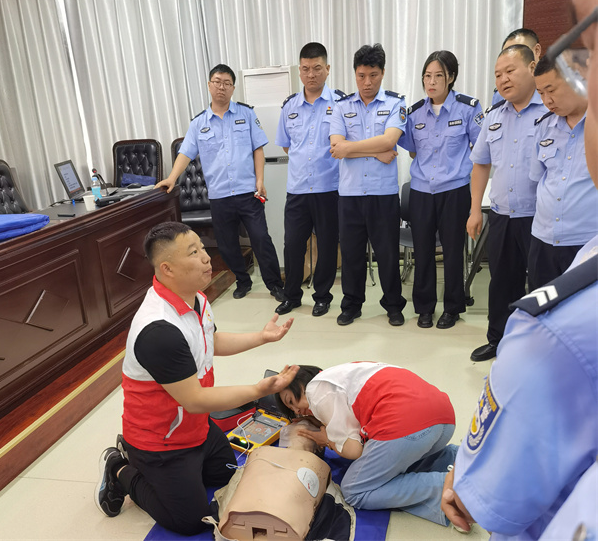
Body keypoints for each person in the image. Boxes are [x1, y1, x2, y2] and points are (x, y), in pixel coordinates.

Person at [441, 0, 598, 536]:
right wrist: (477, 209)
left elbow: (505, 444)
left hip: (570, 241)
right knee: (507, 292)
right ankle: (494, 335)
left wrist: (468, 471)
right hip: (532, 227)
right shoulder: (515, 119)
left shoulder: (558, 333)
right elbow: (517, 173)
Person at [94, 221, 298, 536]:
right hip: (160, 439)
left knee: (227, 476)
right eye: (193, 253)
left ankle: (167, 468)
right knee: (190, 521)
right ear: (167, 268)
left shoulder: (196, 299)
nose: (206, 257)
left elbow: (211, 341)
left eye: (202, 248)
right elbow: (195, 399)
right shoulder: (158, 329)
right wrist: (258, 389)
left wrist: (261, 337)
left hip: (196, 426)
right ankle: (120, 467)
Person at [157, 64, 285, 302]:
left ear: (233, 88)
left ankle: (275, 285)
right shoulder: (199, 123)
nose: (222, 87)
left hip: (248, 192)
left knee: (261, 238)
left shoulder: (246, 114)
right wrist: (172, 178)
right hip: (219, 195)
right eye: (217, 82)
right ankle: (243, 281)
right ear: (209, 85)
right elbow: (185, 154)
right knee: (227, 245)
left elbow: (258, 149)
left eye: (227, 83)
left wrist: (260, 180)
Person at [276, 362, 458, 526]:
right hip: (443, 418)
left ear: (301, 382)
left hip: (408, 428)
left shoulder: (316, 393)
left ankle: (448, 486)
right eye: (293, 410)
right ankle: (457, 459)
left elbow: (354, 451)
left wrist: (328, 440)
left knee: (354, 490)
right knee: (398, 464)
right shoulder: (342, 375)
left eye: (291, 401)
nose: (298, 411)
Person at [466, 45, 549, 362]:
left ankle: (539, 348)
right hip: (501, 216)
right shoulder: (494, 116)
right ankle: (498, 340)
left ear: (532, 67)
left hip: (538, 218)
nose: (503, 79)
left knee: (540, 285)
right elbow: (480, 165)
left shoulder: (550, 112)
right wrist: (475, 209)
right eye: (498, 74)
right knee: (501, 282)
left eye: (510, 71)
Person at [398, 51, 484, 329]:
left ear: (451, 77)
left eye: (438, 76)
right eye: (427, 76)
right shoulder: (414, 113)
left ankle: (453, 308)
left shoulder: (468, 108)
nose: (431, 82)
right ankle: (424, 308)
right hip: (422, 191)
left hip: (455, 190)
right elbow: (413, 151)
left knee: (453, 252)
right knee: (423, 251)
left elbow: (481, 150)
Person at [329, 43, 407, 327]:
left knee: (388, 254)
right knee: (351, 254)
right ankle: (351, 305)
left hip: (382, 194)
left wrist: (352, 148)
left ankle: (394, 305)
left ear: (382, 73)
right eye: (361, 76)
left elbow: (389, 140)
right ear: (355, 74)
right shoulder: (341, 107)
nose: (367, 82)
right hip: (350, 194)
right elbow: (336, 148)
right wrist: (375, 152)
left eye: (373, 75)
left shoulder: (395, 104)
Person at [274, 42, 344, 318]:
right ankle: (291, 295)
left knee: (327, 245)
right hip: (298, 189)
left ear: (327, 69)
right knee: (293, 245)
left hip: (329, 187)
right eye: (305, 69)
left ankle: (322, 297)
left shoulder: (340, 103)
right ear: (300, 71)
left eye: (317, 68)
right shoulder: (289, 106)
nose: (311, 74)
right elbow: (286, 145)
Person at [529, 55, 598, 288]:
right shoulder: (544, 126)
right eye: (540, 93)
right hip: (543, 240)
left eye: (551, 90)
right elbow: (538, 178)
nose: (547, 100)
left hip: (587, 242)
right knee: (542, 306)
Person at [490, 29, 542, 107]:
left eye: (520, 49)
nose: (512, 55)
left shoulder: (555, 85)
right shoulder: (501, 94)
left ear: (537, 50)